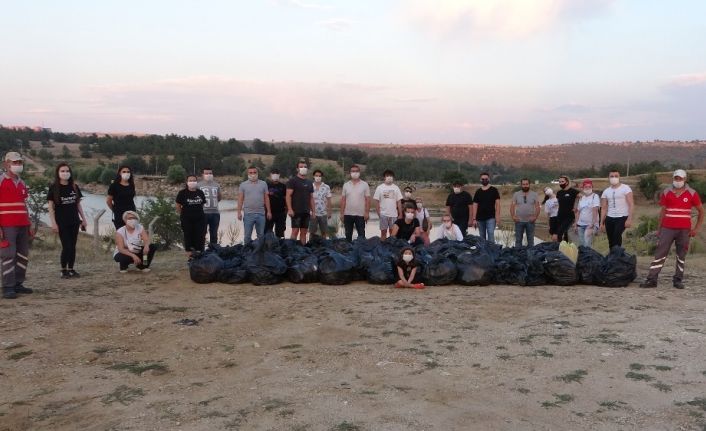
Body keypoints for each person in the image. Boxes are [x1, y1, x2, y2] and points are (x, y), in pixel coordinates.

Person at [640, 169, 703, 289]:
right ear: (673, 178)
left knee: (681, 255)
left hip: (684, 230)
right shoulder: (666, 192)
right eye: (676, 178)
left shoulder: (692, 193)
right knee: (660, 253)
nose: (678, 181)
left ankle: (678, 280)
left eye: (680, 178)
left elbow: (701, 211)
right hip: (667, 228)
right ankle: (652, 279)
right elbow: (663, 211)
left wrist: (696, 228)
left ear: (685, 179)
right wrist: (659, 229)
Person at [47, 163, 88, 278]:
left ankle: (71, 269)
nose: (65, 173)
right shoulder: (54, 187)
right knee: (67, 246)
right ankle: (63, 270)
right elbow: (50, 207)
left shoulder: (74, 187)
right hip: (61, 222)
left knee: (73, 246)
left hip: (74, 221)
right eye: (62, 171)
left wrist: (83, 220)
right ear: (58, 173)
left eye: (67, 171)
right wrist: (53, 223)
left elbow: (78, 205)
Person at [0, 152, 32, 299]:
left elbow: (24, 204)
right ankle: (8, 286)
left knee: (23, 255)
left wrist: (29, 223)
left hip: (23, 224)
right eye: (15, 162)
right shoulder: (1, 181)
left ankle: (18, 283)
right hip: (7, 225)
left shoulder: (22, 182)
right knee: (8, 255)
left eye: (19, 162)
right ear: (6, 163)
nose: (18, 165)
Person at [600, 170, 634, 249]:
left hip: (622, 217)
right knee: (611, 241)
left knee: (616, 238)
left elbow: (631, 204)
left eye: (616, 176)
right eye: (612, 176)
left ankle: (618, 258)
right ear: (608, 178)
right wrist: (601, 222)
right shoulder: (606, 191)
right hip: (609, 218)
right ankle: (612, 258)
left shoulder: (626, 188)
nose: (614, 178)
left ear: (619, 177)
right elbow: (604, 208)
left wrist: (629, 219)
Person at [238, 166, 271, 244]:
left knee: (261, 235)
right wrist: (239, 212)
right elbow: (240, 199)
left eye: (254, 172)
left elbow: (266, 198)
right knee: (247, 236)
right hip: (248, 214)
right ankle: (246, 252)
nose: (253, 174)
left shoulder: (263, 184)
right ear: (247, 174)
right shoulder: (243, 185)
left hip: (261, 214)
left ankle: (260, 253)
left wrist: (269, 211)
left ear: (257, 173)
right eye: (251, 172)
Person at [176, 175, 207, 256]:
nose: (192, 182)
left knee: (200, 236)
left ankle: (199, 254)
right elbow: (178, 206)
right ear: (187, 182)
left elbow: (202, 204)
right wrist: (183, 215)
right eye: (190, 180)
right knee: (188, 236)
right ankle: (190, 256)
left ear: (196, 182)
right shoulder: (182, 193)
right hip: (187, 219)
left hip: (200, 219)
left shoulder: (200, 192)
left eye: (194, 180)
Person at [286, 161, 315, 244]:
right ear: (297, 169)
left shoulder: (309, 183)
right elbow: (288, 196)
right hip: (296, 211)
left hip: (306, 211)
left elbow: (311, 198)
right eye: (301, 167)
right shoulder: (292, 181)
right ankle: (292, 250)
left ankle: (303, 251)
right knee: (295, 231)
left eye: (305, 167)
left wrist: (313, 211)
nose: (303, 168)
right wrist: (290, 209)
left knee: (304, 233)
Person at [340, 164, 370, 242]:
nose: (355, 173)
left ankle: (362, 252)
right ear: (350, 173)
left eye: (356, 171)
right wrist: (341, 214)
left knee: (361, 235)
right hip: (347, 214)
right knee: (348, 235)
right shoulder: (346, 185)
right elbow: (343, 200)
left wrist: (367, 212)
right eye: (353, 171)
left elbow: (367, 200)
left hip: (360, 215)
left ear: (359, 172)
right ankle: (348, 251)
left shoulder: (365, 185)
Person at [510, 178, 540, 247]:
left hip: (530, 221)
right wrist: (513, 216)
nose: (525, 186)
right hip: (519, 221)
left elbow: (537, 207)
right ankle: (518, 256)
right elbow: (512, 206)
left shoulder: (534, 194)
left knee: (531, 241)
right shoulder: (516, 194)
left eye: (526, 184)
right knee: (518, 241)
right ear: (521, 185)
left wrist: (535, 217)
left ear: (529, 184)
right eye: (523, 184)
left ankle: (531, 256)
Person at [373, 169, 403, 240]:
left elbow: (399, 201)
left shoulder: (396, 188)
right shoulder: (379, 187)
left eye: (391, 176)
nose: (389, 177)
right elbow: (376, 201)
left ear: (393, 177)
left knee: (393, 233)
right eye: (387, 176)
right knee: (383, 233)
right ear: (384, 177)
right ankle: (383, 247)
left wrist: (400, 214)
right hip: (383, 214)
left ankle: (391, 248)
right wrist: (379, 213)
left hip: (394, 215)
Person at [472, 173, 501, 243]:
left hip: (491, 217)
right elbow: (475, 205)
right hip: (480, 218)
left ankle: (492, 251)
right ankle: (484, 252)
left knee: (491, 234)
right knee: (482, 236)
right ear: (480, 180)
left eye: (486, 179)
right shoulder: (478, 192)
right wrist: (474, 219)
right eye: (483, 179)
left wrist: (497, 217)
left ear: (489, 179)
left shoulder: (494, 190)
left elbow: (498, 204)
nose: (484, 180)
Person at [106, 165, 136, 230]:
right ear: (120, 173)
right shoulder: (114, 185)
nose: (126, 173)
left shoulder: (131, 185)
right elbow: (108, 201)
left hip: (131, 213)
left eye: (128, 172)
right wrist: (115, 210)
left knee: (131, 234)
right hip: (119, 214)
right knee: (121, 234)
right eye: (124, 171)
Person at [198, 168, 222, 247]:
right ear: (203, 175)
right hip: (203, 213)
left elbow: (219, 198)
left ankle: (213, 251)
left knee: (214, 234)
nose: (208, 175)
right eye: (206, 173)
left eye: (210, 173)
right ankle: (201, 251)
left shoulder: (216, 185)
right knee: (202, 233)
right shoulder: (198, 185)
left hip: (215, 213)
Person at [575, 179, 600, 248]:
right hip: (580, 224)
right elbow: (578, 212)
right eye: (586, 187)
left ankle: (589, 258)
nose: (588, 188)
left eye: (589, 187)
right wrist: (576, 224)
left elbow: (595, 210)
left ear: (592, 187)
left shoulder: (595, 196)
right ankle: (583, 258)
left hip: (590, 225)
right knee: (581, 244)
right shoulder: (582, 198)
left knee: (587, 244)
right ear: (583, 188)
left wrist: (592, 224)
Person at [555, 175, 579, 242]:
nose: (561, 183)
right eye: (559, 182)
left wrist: (576, 206)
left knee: (560, 233)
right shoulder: (559, 193)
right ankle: (564, 250)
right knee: (564, 235)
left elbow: (581, 197)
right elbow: (558, 204)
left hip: (569, 216)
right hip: (560, 216)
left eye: (562, 181)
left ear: (567, 182)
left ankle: (560, 248)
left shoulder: (573, 191)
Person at [309, 169, 332, 238]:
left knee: (324, 232)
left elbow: (329, 200)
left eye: (319, 176)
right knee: (312, 232)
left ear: (321, 177)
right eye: (316, 175)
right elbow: (308, 199)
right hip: (313, 213)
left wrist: (329, 211)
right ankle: (311, 246)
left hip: (323, 213)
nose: (318, 177)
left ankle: (324, 246)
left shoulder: (326, 187)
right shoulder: (310, 186)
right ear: (313, 176)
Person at [265, 169, 287, 238]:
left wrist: (286, 210)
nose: (275, 175)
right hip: (269, 212)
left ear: (279, 175)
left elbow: (286, 198)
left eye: (277, 173)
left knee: (280, 233)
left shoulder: (283, 186)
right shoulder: (266, 185)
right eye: (273, 173)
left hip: (281, 212)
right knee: (267, 232)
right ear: (270, 175)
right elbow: (264, 198)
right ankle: (268, 247)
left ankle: (279, 247)